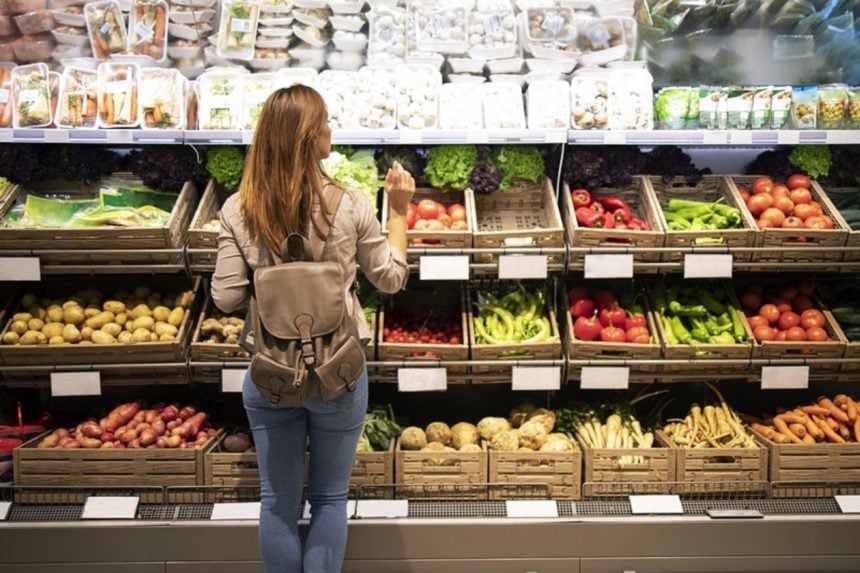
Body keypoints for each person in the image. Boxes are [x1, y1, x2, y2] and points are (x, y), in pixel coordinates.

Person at [211, 84, 414, 573]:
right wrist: (401, 210)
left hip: (271, 373)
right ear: (307, 138)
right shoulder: (350, 203)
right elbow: (390, 278)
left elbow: (226, 297)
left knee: (277, 502)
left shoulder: (239, 210)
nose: (330, 129)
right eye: (323, 122)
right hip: (338, 371)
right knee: (328, 498)